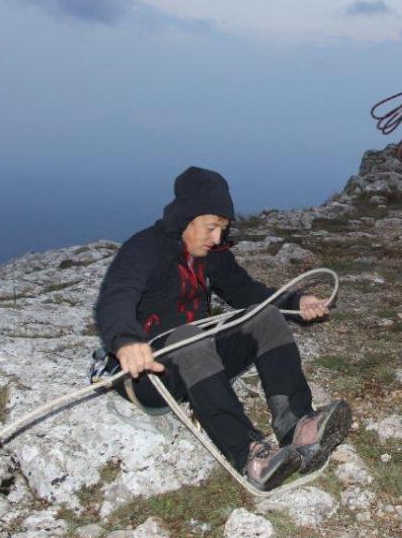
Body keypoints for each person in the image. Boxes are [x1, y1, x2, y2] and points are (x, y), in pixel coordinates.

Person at [93, 166, 351, 490]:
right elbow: (115, 298)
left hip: (199, 365)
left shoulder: (212, 255)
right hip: (149, 375)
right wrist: (126, 341)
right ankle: (249, 454)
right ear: (185, 218)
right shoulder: (143, 249)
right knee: (189, 336)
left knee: (266, 316)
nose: (217, 238)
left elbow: (246, 291)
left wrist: (296, 302)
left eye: (222, 229)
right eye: (211, 227)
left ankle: (296, 425)